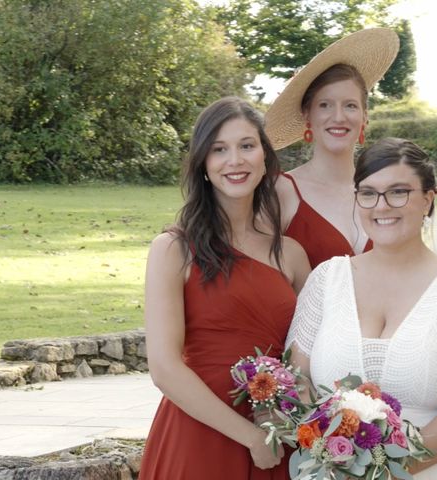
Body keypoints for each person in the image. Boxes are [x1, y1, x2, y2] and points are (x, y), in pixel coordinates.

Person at [286, 138, 437, 479]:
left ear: (429, 199)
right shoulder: (326, 279)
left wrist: (389, 469)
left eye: (399, 192)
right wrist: (336, 457)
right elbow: (297, 378)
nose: (382, 206)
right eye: (368, 193)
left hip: (434, 468)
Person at [139, 97, 310, 479]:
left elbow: (309, 356)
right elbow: (165, 368)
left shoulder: (292, 256)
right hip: (199, 435)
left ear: (265, 158)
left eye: (247, 146)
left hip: (277, 436)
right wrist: (248, 436)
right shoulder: (173, 249)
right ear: (203, 164)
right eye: (219, 149)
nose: (235, 160)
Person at [264, 28, 406, 269]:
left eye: (350, 105)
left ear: (364, 116)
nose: (338, 117)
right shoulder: (279, 191)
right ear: (307, 115)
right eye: (325, 105)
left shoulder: (387, 189)